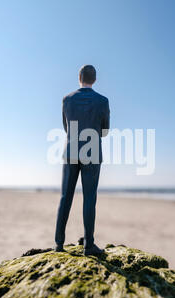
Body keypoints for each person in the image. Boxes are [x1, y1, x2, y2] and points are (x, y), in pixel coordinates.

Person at [54, 65, 110, 255]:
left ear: (79, 77)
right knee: (89, 198)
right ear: (94, 79)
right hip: (92, 151)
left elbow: (66, 127)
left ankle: (59, 244)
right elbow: (105, 131)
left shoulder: (67, 99)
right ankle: (89, 245)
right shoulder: (103, 101)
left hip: (70, 151)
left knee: (65, 197)